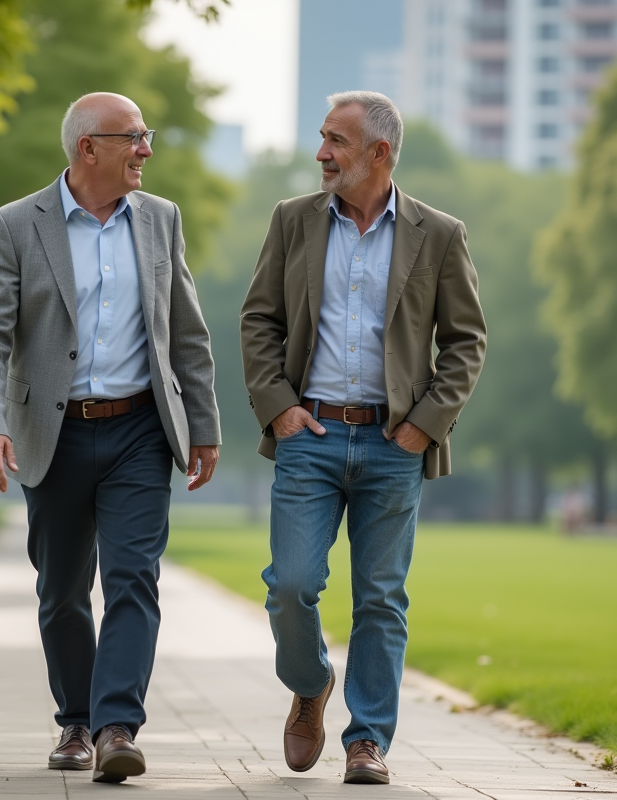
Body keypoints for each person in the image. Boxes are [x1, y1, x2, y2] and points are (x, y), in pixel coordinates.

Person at [0, 92, 221, 784]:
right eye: (134, 137)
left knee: (135, 577)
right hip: (55, 433)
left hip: (140, 427)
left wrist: (204, 425)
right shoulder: (16, 226)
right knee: (62, 589)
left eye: (147, 136)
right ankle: (74, 721)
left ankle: (115, 728)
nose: (147, 149)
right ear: (88, 149)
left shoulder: (161, 220)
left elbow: (186, 331)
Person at [240, 91, 486, 784]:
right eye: (322, 139)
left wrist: (423, 426)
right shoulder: (292, 221)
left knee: (381, 597)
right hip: (308, 436)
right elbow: (259, 321)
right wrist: (280, 408)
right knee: (290, 586)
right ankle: (311, 681)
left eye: (336, 142)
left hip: (391, 444)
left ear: (379, 153)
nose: (321, 153)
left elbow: (466, 342)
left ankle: (367, 739)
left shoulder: (438, 234)